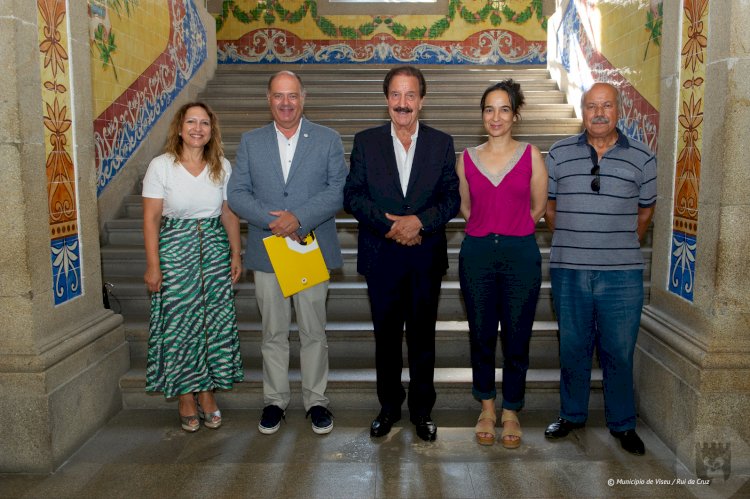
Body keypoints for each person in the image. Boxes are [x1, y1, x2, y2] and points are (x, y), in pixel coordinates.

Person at [344, 66, 460, 442]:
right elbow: (353, 196)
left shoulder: (442, 143)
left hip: (425, 256)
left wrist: (419, 223)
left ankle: (422, 411)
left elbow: (451, 198)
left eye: (411, 95)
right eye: (396, 95)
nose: (403, 103)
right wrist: (390, 225)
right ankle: (389, 407)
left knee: (423, 338)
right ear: (386, 100)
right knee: (387, 338)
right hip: (382, 256)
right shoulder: (366, 141)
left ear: (422, 101)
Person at [227, 71, 347, 435]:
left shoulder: (327, 139)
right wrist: (272, 220)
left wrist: (300, 218)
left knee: (313, 331)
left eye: (292, 95)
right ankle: (275, 400)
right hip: (268, 252)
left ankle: (316, 401)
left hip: (310, 248)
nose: (285, 103)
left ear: (303, 97)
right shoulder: (251, 141)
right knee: (273, 332)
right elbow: (237, 193)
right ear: (268, 99)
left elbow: (338, 189)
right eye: (278, 96)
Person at [543, 82, 656, 456]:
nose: (599, 112)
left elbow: (645, 212)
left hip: (621, 273)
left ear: (619, 109)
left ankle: (623, 424)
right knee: (573, 346)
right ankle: (571, 414)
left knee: (619, 351)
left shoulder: (643, 157)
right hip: (569, 270)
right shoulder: (558, 154)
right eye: (592, 106)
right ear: (582, 109)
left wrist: (619, 243)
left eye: (606, 105)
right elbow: (550, 208)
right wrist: (576, 240)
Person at [142, 101, 244, 432]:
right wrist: (153, 265)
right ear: (180, 127)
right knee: (181, 324)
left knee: (212, 324)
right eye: (191, 122)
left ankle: (207, 392)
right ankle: (186, 395)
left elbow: (228, 213)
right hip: (175, 251)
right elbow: (151, 218)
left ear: (211, 130)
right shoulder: (162, 166)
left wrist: (236, 253)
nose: (197, 128)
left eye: (204, 123)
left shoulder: (222, 166)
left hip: (214, 251)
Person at [457, 81, 547, 448]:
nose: (496, 117)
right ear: (482, 115)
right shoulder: (465, 158)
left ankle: (511, 409)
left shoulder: (532, 155)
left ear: (515, 115)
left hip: (520, 254)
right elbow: (465, 207)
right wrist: (485, 229)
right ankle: (487, 407)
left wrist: (514, 229)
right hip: (477, 255)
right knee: (480, 334)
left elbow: (539, 207)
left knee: (516, 336)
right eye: (489, 109)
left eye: (504, 109)